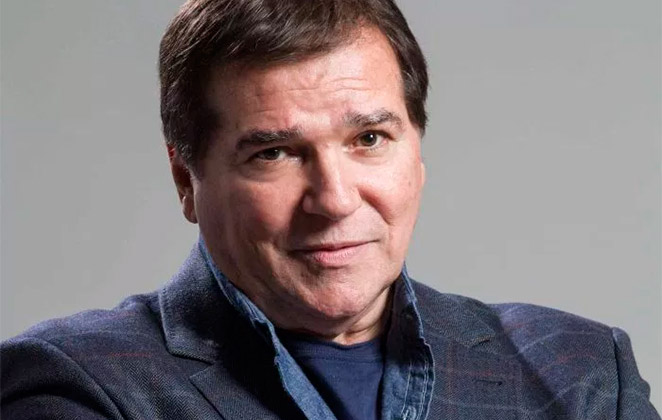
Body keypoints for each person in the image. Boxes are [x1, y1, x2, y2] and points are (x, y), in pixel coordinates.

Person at [1, 0, 659, 419]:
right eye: (275, 153)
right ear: (185, 180)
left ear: (417, 152)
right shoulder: (75, 386)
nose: (336, 200)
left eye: (368, 139)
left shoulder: (579, 373)